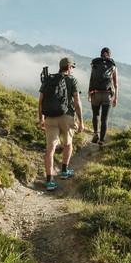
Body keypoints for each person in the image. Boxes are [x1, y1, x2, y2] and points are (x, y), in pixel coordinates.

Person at [38, 57, 84, 190]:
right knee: (68, 143)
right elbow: (77, 102)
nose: (72, 71)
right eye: (72, 68)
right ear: (69, 67)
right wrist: (81, 121)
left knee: (50, 149)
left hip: (50, 117)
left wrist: (41, 119)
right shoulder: (72, 80)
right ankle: (64, 170)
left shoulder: (49, 80)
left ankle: (49, 180)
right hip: (66, 116)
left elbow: (40, 102)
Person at [88, 47, 118, 146]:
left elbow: (91, 79)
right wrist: (115, 98)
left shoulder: (95, 64)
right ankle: (101, 141)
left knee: (95, 114)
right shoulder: (112, 66)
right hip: (107, 94)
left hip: (95, 93)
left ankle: (96, 133)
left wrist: (89, 93)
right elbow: (115, 84)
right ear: (109, 55)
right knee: (104, 118)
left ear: (101, 55)